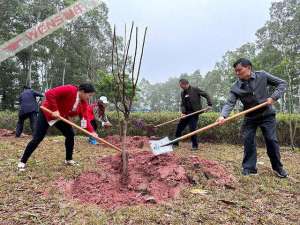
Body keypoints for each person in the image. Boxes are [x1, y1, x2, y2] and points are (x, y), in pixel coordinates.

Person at [217, 58, 288, 178]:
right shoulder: (235, 87)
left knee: (271, 140)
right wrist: (222, 115)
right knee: (248, 140)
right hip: (250, 117)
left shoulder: (263, 75)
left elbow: (282, 83)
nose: (237, 73)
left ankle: (278, 167)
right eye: (236, 71)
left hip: (267, 114)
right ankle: (249, 168)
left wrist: (274, 97)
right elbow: (229, 103)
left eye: (239, 70)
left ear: (248, 68)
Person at [17, 83, 97, 171]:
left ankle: (69, 159)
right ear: (82, 91)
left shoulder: (83, 104)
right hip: (47, 113)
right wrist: (55, 109)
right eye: (89, 95)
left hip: (60, 117)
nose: (89, 98)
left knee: (70, 134)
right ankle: (22, 162)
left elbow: (84, 120)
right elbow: (49, 93)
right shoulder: (70, 89)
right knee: (37, 138)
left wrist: (91, 132)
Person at [174, 79, 213, 150]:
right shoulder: (183, 93)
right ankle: (175, 143)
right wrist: (182, 113)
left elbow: (206, 94)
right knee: (179, 128)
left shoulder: (195, 89)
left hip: (194, 113)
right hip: (186, 114)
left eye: (181, 85)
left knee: (192, 129)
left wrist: (209, 104)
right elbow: (182, 104)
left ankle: (195, 146)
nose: (180, 87)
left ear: (185, 84)